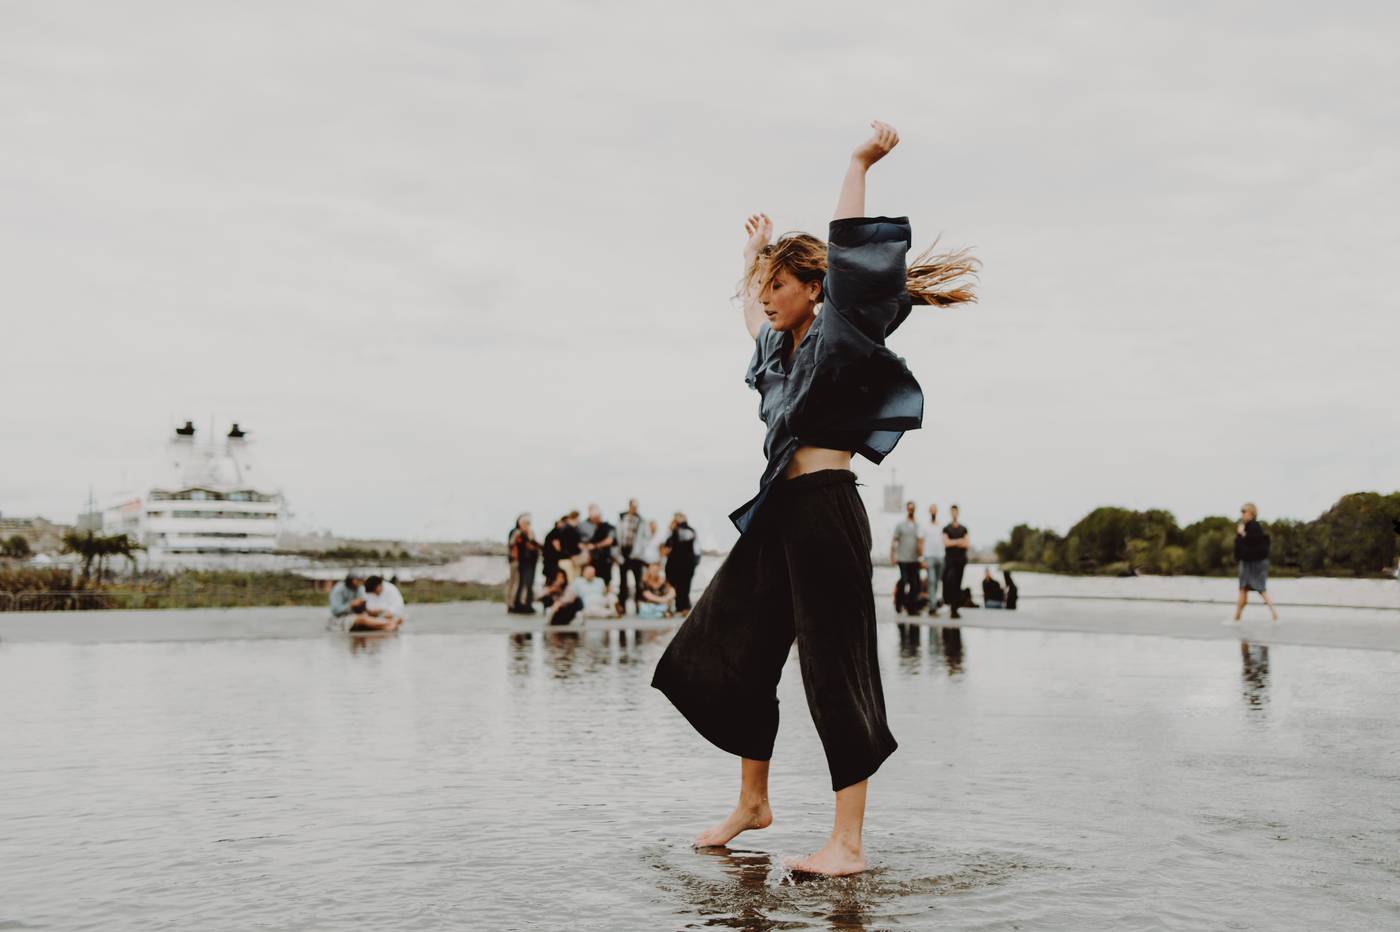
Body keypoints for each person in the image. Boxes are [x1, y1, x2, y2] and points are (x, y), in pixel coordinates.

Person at [652, 121, 977, 877]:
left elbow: (852, 253)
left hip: (827, 509)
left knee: (834, 667)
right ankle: (753, 803)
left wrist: (858, 164)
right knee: (727, 647)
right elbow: (750, 316)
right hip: (777, 515)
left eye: (779, 285)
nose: (766, 298)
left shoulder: (840, 333)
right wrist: (751, 257)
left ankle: (847, 844)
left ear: (813, 289)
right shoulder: (777, 352)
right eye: (764, 287)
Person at [1232, 502, 1278, 622]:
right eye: (1242, 512)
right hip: (1247, 562)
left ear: (1251, 513)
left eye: (1244, 511)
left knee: (1258, 588)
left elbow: (1254, 541)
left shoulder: (1254, 526)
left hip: (1254, 563)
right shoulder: (1246, 526)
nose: (1242, 514)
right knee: (1245, 589)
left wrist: (1242, 533)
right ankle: (1237, 616)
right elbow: (1239, 545)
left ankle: (1274, 613)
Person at [663, 513, 700, 615]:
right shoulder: (672, 534)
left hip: (686, 565)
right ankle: (679, 608)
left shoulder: (688, 531)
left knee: (684, 587)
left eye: (678, 518)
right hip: (674, 565)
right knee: (677, 586)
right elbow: (666, 548)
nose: (676, 521)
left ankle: (684, 608)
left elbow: (691, 543)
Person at [891, 500, 923, 615]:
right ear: (907, 509)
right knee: (904, 581)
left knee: (915, 584)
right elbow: (894, 541)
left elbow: (920, 542)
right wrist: (892, 556)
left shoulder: (918, 526)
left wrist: (922, 557)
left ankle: (911, 607)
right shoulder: (900, 525)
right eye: (909, 508)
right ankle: (898, 603)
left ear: (915, 510)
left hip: (914, 560)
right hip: (903, 559)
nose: (911, 510)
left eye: (913, 509)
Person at [615, 499, 648, 614]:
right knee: (622, 582)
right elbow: (617, 536)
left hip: (636, 555)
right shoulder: (622, 519)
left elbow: (645, 537)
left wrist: (640, 552)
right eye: (633, 506)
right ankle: (622, 607)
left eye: (636, 507)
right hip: (624, 552)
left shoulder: (641, 520)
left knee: (638, 581)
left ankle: (639, 607)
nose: (635, 509)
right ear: (629, 506)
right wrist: (618, 554)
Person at [507, 514, 541, 614]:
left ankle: (522, 603)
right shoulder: (515, 532)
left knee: (522, 584)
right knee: (514, 583)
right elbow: (511, 544)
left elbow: (533, 544)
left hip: (526, 562)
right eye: (526, 523)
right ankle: (511, 604)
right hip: (516, 560)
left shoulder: (529, 532)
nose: (527, 525)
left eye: (528, 523)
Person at [942, 505, 971, 620]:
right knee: (950, 581)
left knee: (958, 584)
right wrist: (959, 541)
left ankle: (954, 608)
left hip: (961, 560)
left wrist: (952, 542)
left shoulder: (963, 528)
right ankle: (951, 604)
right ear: (950, 513)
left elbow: (966, 544)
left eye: (955, 511)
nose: (954, 513)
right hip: (950, 561)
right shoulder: (946, 528)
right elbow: (946, 543)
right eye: (952, 511)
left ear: (958, 513)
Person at [922, 503, 945, 614]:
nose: (933, 512)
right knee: (931, 580)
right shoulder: (925, 526)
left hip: (940, 556)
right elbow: (922, 542)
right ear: (929, 512)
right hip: (929, 556)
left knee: (936, 581)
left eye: (935, 510)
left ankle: (933, 600)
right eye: (931, 510)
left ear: (937, 511)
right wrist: (922, 558)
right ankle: (932, 605)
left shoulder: (941, 526)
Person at [585, 505, 616, 586]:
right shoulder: (593, 528)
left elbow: (609, 540)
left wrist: (595, 546)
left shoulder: (608, 527)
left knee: (606, 582)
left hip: (605, 560)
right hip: (594, 561)